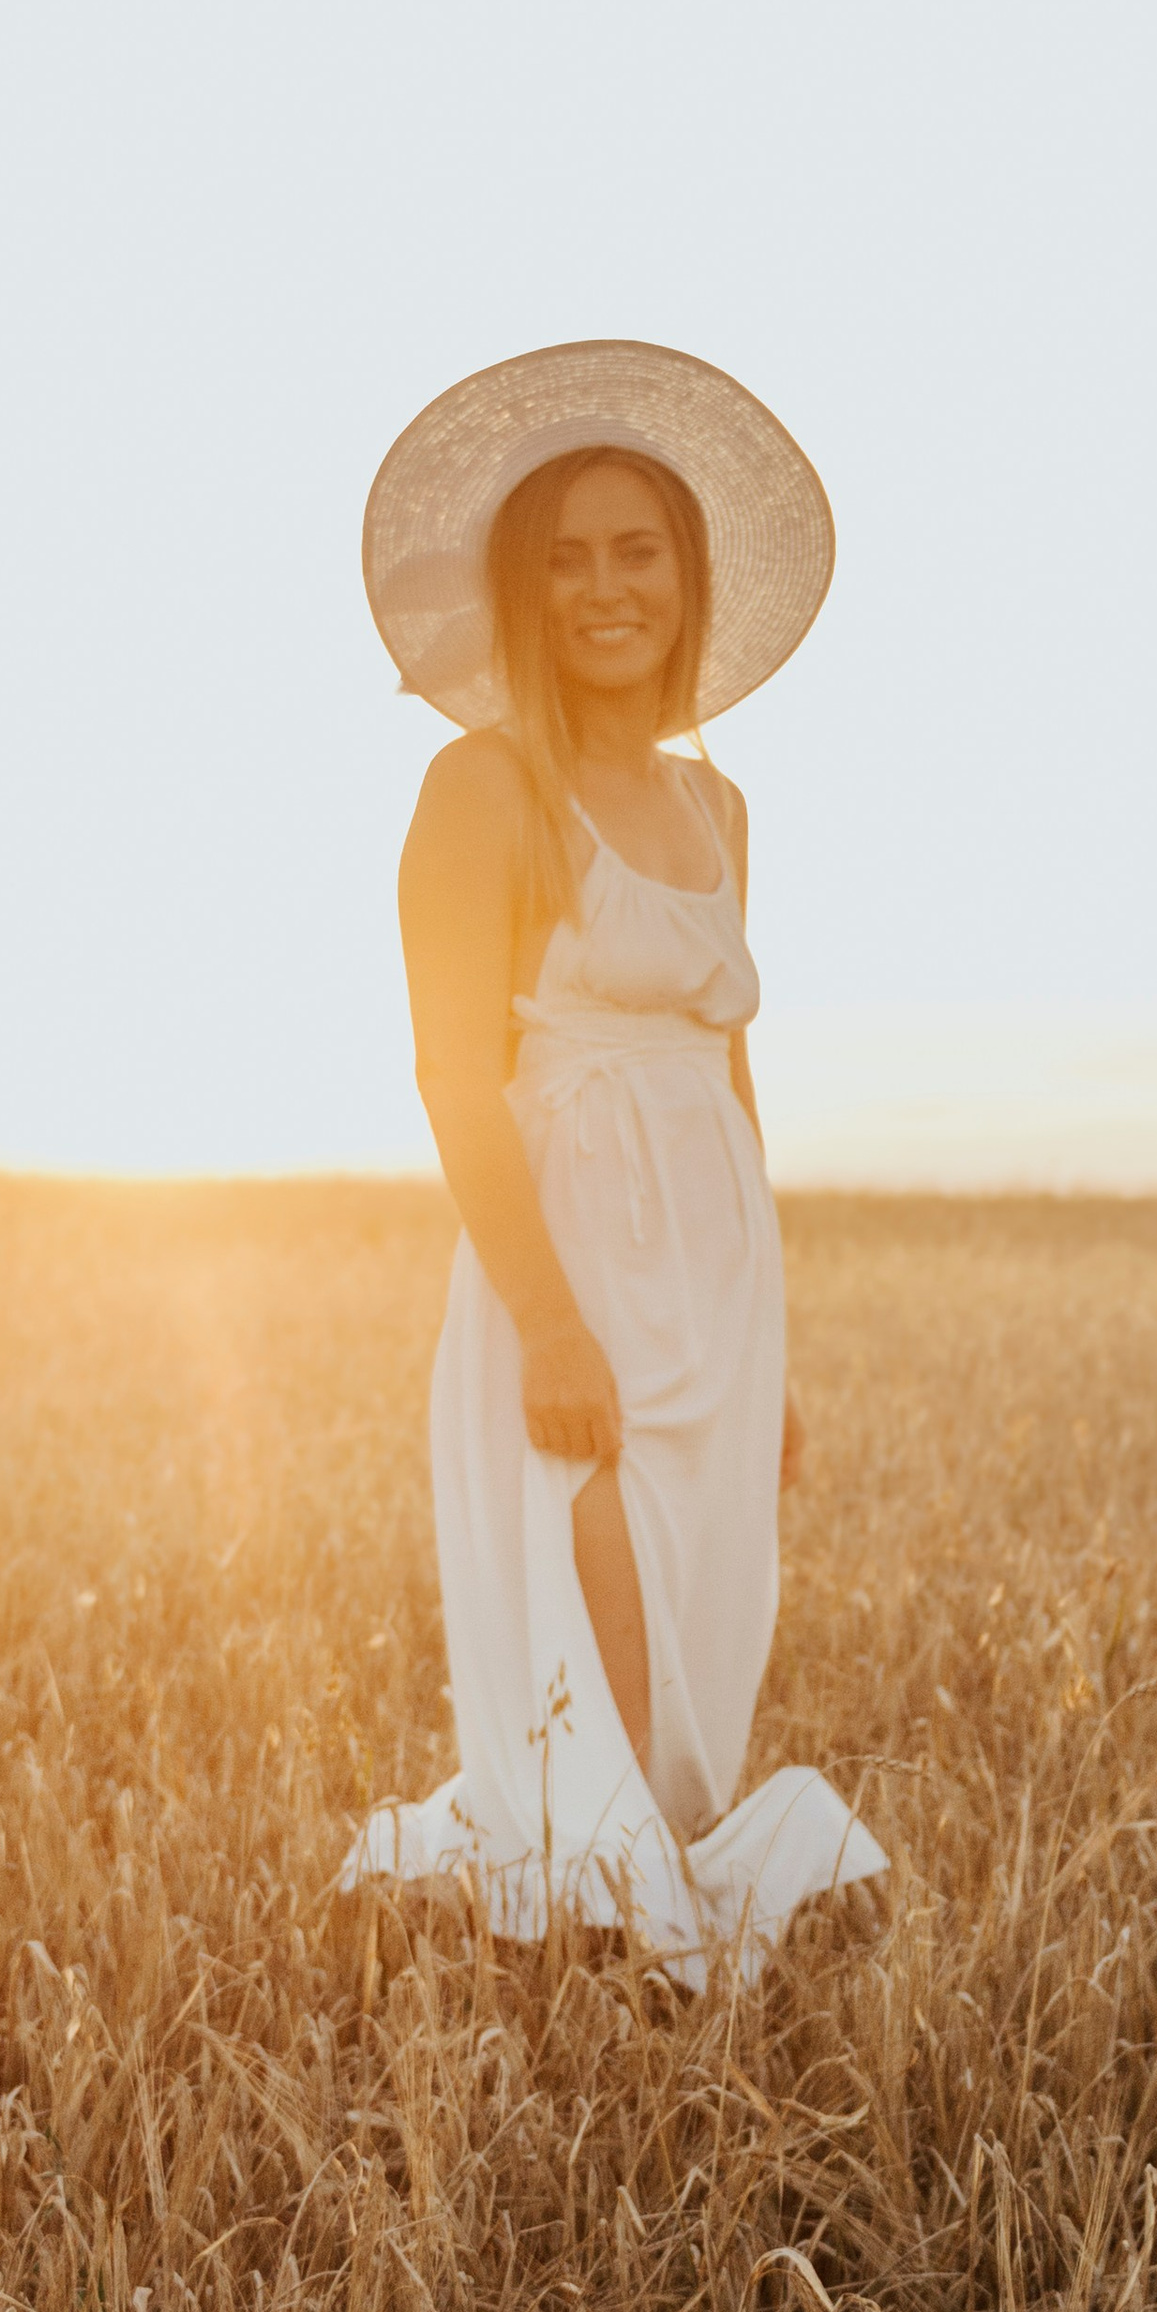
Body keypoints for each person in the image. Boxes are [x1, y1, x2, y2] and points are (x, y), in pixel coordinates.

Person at [343, 339, 885, 1982]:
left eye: (636, 549)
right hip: (566, 1241)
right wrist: (553, 1319)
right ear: (523, 586)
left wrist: (771, 1348)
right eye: (565, 556)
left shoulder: (721, 812)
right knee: (594, 1560)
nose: (604, 585)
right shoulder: (478, 785)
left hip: (715, 1251)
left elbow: (730, 1065)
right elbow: (453, 1070)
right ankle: (622, 1917)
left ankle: (641, 1885)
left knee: (706, 1586)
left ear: (687, 576)